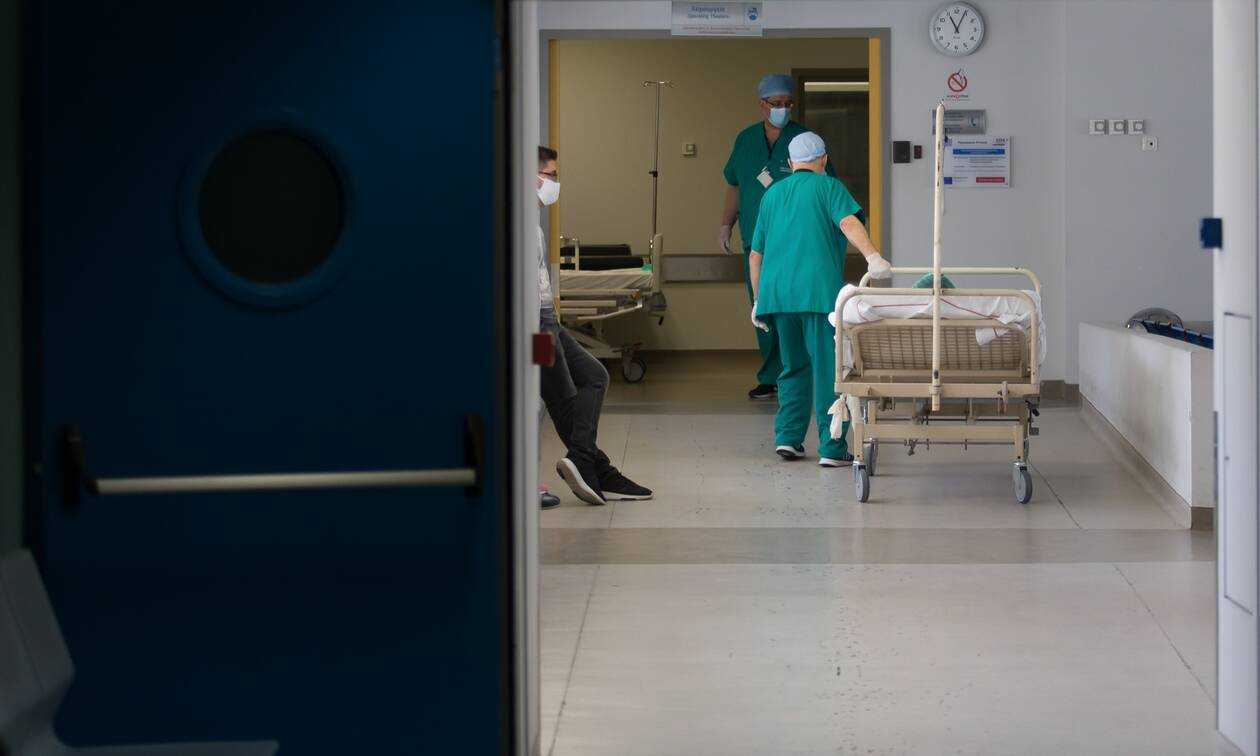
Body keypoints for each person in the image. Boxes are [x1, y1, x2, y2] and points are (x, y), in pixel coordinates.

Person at [748, 131, 891, 466]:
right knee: (829, 369)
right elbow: (848, 222)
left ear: (790, 162)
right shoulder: (829, 187)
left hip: (778, 297)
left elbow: (755, 255)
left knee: (792, 366)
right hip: (818, 295)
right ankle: (832, 447)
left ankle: (788, 438)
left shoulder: (772, 195)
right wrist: (872, 256)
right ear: (824, 159)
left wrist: (758, 300)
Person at [536, 146, 652, 506]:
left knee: (590, 380)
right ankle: (591, 465)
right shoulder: (516, 221)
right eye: (551, 175)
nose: (556, 182)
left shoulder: (531, 221)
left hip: (547, 319)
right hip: (536, 326)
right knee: (567, 397)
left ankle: (590, 463)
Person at [719, 73, 840, 402]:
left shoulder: (805, 142)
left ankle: (808, 375)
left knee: (804, 312)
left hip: (800, 243)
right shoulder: (746, 141)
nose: (782, 109)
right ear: (762, 105)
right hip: (757, 240)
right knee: (763, 309)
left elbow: (828, 188)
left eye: (788, 103)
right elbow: (734, 184)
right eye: (776, 103)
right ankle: (772, 376)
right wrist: (726, 223)